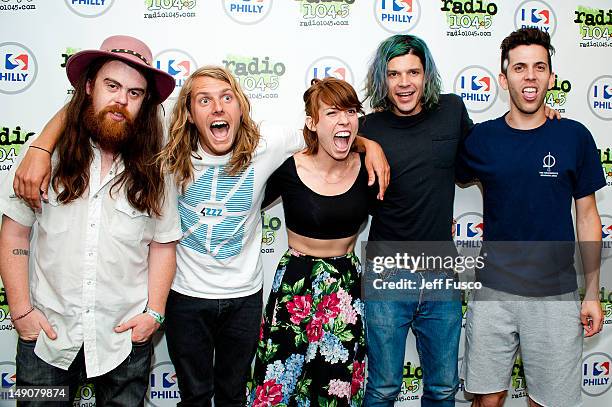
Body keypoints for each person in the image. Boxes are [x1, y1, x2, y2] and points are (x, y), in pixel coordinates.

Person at [9, 63, 389, 406]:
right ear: (189, 114)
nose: (218, 108)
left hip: (243, 298)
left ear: (241, 107)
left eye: (227, 98)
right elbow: (110, 109)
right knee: (194, 397)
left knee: (233, 397)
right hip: (185, 298)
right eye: (204, 100)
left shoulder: (266, 144)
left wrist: (367, 144)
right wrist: (42, 145)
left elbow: (329, 127)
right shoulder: (166, 150)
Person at [0, 35, 181, 405]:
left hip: (123, 341)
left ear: (144, 102)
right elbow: (15, 234)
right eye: (111, 86)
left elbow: (163, 246)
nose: (121, 100)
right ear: (88, 87)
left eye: (134, 93)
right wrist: (20, 312)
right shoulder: (45, 156)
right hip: (46, 340)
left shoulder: (154, 170)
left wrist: (154, 315)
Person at [457, 28, 604, 407]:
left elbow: (587, 217)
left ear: (551, 78)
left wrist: (592, 293)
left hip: (556, 296)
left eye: (540, 67)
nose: (531, 76)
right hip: (492, 295)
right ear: (504, 79)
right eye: (520, 68)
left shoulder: (573, 136)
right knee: (487, 400)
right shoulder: (481, 140)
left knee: (548, 401)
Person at [359, 34, 472, 406]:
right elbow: (320, 133)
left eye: (413, 72)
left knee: (442, 388)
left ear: (426, 75)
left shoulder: (453, 111)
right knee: (383, 387)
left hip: (441, 270)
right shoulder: (368, 128)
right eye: (394, 74)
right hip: (386, 270)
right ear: (382, 79)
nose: (404, 83)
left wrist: (542, 118)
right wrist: (365, 144)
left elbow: (494, 148)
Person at [248, 78, 371, 406]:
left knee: (336, 387)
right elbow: (244, 206)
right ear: (312, 123)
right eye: (332, 113)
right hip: (295, 283)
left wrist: (372, 147)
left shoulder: (368, 169)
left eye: (350, 111)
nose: (344, 120)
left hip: (344, 286)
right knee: (278, 382)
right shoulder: (288, 168)